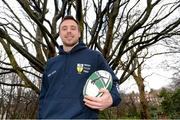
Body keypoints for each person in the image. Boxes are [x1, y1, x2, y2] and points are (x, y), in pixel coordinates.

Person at [38, 15, 121, 119]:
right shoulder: (51, 63)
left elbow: (115, 83)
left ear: (79, 33)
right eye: (64, 28)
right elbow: (43, 98)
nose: (68, 31)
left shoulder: (94, 57)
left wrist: (111, 99)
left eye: (73, 28)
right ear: (59, 34)